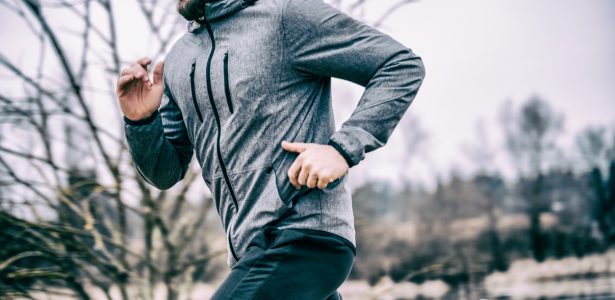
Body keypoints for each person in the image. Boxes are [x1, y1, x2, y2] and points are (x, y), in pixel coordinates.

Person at [116, 0, 425, 298]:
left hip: (306, 234)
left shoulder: (286, 17)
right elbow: (165, 172)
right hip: (250, 251)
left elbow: (399, 65)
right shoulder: (179, 61)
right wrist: (141, 122)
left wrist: (342, 150)